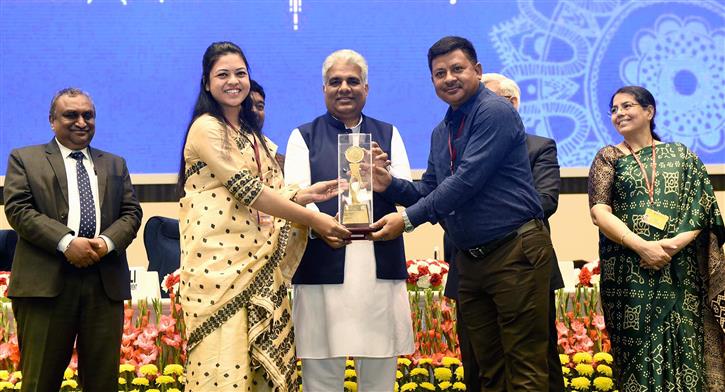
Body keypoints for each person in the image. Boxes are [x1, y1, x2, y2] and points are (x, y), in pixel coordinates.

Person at [371, 36, 553, 390]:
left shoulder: (494, 112)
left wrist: (407, 220)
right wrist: (388, 184)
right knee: (486, 369)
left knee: (525, 369)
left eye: (458, 69)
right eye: (440, 73)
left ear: (477, 71)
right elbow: (430, 190)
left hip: (514, 251)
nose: (449, 78)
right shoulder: (443, 130)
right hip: (470, 260)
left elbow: (467, 180)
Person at [178, 41, 349, 391]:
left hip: (260, 265)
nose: (233, 81)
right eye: (222, 74)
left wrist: (304, 195)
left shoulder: (253, 136)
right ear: (207, 83)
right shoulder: (206, 128)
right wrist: (313, 218)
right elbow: (248, 191)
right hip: (219, 273)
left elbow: (266, 189)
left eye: (240, 73)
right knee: (223, 369)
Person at [284, 49, 414, 391]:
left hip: (377, 265)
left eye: (353, 81)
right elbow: (293, 195)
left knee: (379, 375)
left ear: (366, 89)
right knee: (321, 377)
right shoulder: (303, 136)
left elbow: (410, 195)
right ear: (324, 88)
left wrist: (385, 176)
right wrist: (319, 224)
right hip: (323, 263)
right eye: (335, 81)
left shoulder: (388, 134)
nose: (344, 88)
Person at [3, 87, 143, 391]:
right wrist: (68, 242)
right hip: (45, 286)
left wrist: (104, 244)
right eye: (71, 115)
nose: (82, 121)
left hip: (103, 285)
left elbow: (131, 213)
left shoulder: (115, 164)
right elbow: (18, 209)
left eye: (88, 115)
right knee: (40, 381)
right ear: (53, 121)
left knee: (103, 383)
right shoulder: (25, 158)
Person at [588, 85, 725, 390]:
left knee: (686, 344)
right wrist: (642, 246)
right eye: (613, 109)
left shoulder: (682, 156)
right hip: (630, 272)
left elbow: (702, 209)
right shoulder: (608, 157)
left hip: (680, 273)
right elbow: (599, 212)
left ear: (649, 111)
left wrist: (671, 247)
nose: (618, 114)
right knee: (636, 355)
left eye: (627, 106)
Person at [250, 79, 286, 172]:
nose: (254, 111)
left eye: (260, 106)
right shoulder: (220, 152)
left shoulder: (280, 161)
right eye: (248, 105)